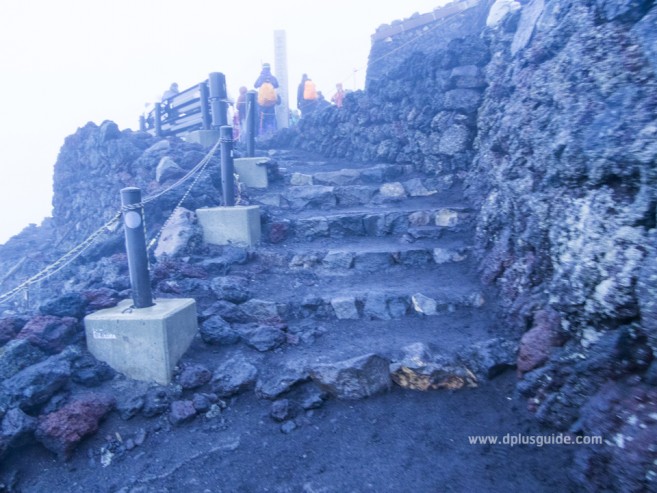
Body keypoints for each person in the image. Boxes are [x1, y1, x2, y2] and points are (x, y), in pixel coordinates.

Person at [254, 63, 279, 137]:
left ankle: (262, 135)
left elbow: (255, 85)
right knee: (271, 118)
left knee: (262, 118)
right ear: (270, 68)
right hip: (271, 103)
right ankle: (272, 133)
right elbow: (277, 85)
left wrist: (261, 78)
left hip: (262, 103)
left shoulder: (261, 77)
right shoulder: (272, 77)